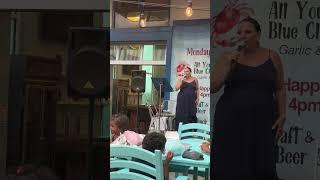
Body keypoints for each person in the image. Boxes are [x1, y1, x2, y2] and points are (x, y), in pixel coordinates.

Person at [211, 17, 286, 180]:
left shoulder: (272, 56)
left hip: (262, 121)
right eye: (239, 32)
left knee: (262, 163)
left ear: (258, 35)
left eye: (248, 32)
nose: (243, 35)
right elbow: (213, 87)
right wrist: (228, 66)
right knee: (231, 164)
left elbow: (279, 88)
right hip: (231, 120)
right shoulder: (228, 57)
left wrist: (282, 114)